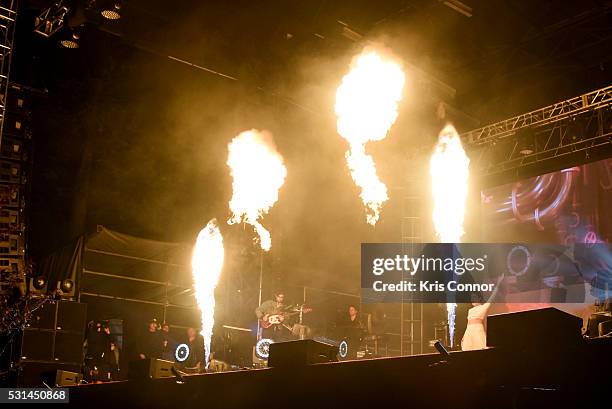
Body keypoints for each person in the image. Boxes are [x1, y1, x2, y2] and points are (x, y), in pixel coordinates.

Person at [461, 275, 504, 351]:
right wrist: (464, 336)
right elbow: (468, 325)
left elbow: (492, 297)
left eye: (474, 298)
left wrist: (498, 283)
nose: (472, 300)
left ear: (479, 299)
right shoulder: (470, 311)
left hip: (478, 331)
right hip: (469, 332)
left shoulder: (483, 307)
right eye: (471, 299)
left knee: (479, 348)